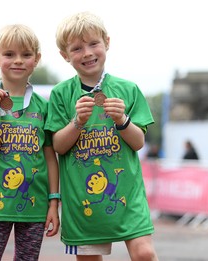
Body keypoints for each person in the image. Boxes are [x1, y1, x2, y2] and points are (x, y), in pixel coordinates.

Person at [45, 11, 159, 261]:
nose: (87, 53)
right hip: (82, 202)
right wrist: (77, 122)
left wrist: (122, 120)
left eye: (93, 43)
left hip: (128, 196)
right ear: (65, 55)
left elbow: (138, 142)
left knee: (145, 254)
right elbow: (58, 146)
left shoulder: (128, 89)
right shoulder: (61, 94)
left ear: (107, 42)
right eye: (76, 48)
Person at [0, 24, 60, 260]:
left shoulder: (43, 105)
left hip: (34, 205)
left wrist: (53, 203)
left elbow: (50, 156)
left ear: (36, 59)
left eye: (26, 54)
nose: (18, 60)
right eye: (9, 54)